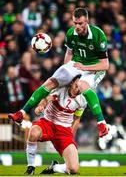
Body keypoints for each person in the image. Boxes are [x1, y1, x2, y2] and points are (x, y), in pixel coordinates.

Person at [8, 7, 109, 137]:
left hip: (95, 68)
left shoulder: (98, 35)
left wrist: (85, 68)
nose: (77, 26)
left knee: (82, 85)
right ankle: (21, 113)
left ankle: (102, 124)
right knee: (51, 82)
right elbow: (69, 53)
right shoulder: (71, 33)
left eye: (81, 23)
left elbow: (105, 64)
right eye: (75, 23)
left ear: (87, 21)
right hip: (77, 64)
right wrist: (66, 73)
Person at [24, 75, 87, 175]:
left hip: (64, 130)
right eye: (77, 84)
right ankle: (31, 167)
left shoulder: (83, 100)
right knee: (33, 132)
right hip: (48, 123)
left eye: (81, 86)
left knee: (74, 169)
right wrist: (41, 106)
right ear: (71, 82)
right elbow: (47, 99)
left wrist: (71, 137)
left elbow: (76, 119)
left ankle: (55, 167)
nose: (78, 88)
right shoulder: (60, 90)